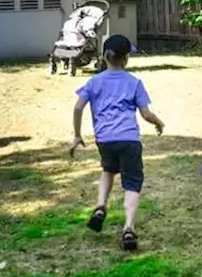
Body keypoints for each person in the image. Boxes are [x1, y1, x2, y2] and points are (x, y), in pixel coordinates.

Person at [70, 34, 165, 252]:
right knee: (132, 183)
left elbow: (77, 107)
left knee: (108, 169)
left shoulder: (94, 82)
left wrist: (77, 135)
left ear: (104, 56)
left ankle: (101, 205)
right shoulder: (134, 83)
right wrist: (159, 123)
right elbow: (146, 113)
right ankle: (128, 227)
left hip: (105, 139)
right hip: (129, 140)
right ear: (126, 59)